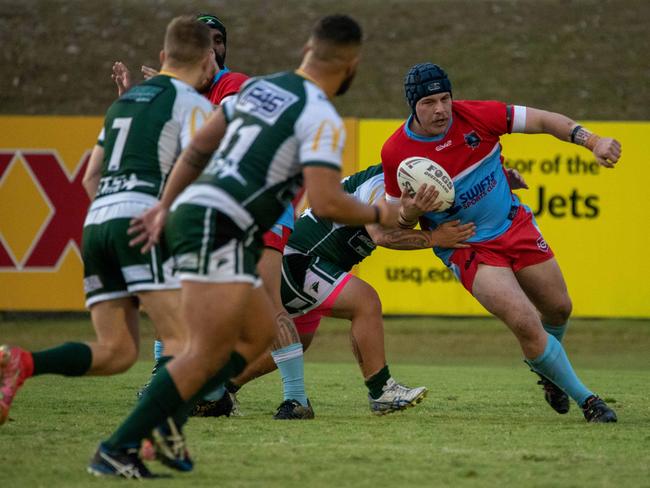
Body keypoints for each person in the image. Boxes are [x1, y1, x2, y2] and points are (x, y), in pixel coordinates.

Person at [86, 14, 403, 479]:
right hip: (224, 222)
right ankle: (122, 444)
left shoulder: (259, 88)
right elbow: (330, 201)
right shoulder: (320, 117)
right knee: (208, 346)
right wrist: (382, 214)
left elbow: (196, 150)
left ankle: (172, 418)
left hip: (205, 216)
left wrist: (166, 206)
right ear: (351, 64)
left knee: (255, 333)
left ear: (307, 51)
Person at [0, 15, 215, 438]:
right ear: (209, 59)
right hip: (140, 222)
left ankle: (23, 362)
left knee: (116, 352)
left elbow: (89, 176)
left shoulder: (123, 103)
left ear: (162, 55)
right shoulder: (193, 104)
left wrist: (114, 213)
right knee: (189, 343)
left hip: (97, 224)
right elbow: (204, 173)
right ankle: (145, 441)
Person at [381, 62, 621, 423]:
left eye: (445, 98)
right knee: (524, 320)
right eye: (429, 101)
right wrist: (411, 213)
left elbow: (543, 120)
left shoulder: (478, 115)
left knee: (558, 308)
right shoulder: (397, 152)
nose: (441, 109)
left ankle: (548, 373)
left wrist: (593, 141)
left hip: (513, 224)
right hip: (468, 245)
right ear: (413, 105)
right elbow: (392, 222)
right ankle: (589, 401)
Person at [111, 14, 302, 419]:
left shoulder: (231, 85)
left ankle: (297, 397)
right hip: (218, 209)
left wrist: (170, 96)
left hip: (262, 206)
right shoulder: (185, 97)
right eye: (202, 41)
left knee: (269, 304)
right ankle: (182, 383)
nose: (211, 47)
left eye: (217, 40)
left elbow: (221, 136)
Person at [227, 163, 479, 418]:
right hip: (300, 260)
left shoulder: (405, 182)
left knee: (296, 343)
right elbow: (380, 236)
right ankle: (381, 391)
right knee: (365, 302)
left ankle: (222, 388)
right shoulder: (381, 182)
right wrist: (435, 239)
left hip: (314, 263)